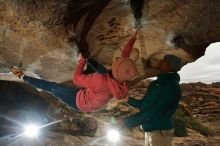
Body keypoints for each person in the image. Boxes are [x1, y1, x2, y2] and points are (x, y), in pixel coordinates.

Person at [10, 31, 139, 113]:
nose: (116, 59)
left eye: (117, 61)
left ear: (116, 69)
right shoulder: (122, 83)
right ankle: (88, 57)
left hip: (78, 102)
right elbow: (124, 57)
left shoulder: (102, 80)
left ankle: (23, 77)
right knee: (98, 68)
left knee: (54, 87)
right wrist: (133, 37)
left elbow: (76, 79)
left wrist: (81, 61)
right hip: (91, 96)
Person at [117, 54, 182, 146]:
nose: (160, 61)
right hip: (150, 130)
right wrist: (127, 98)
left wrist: (127, 121)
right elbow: (144, 104)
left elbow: (154, 111)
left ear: (170, 66)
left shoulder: (172, 87)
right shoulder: (157, 83)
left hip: (160, 132)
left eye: (163, 61)